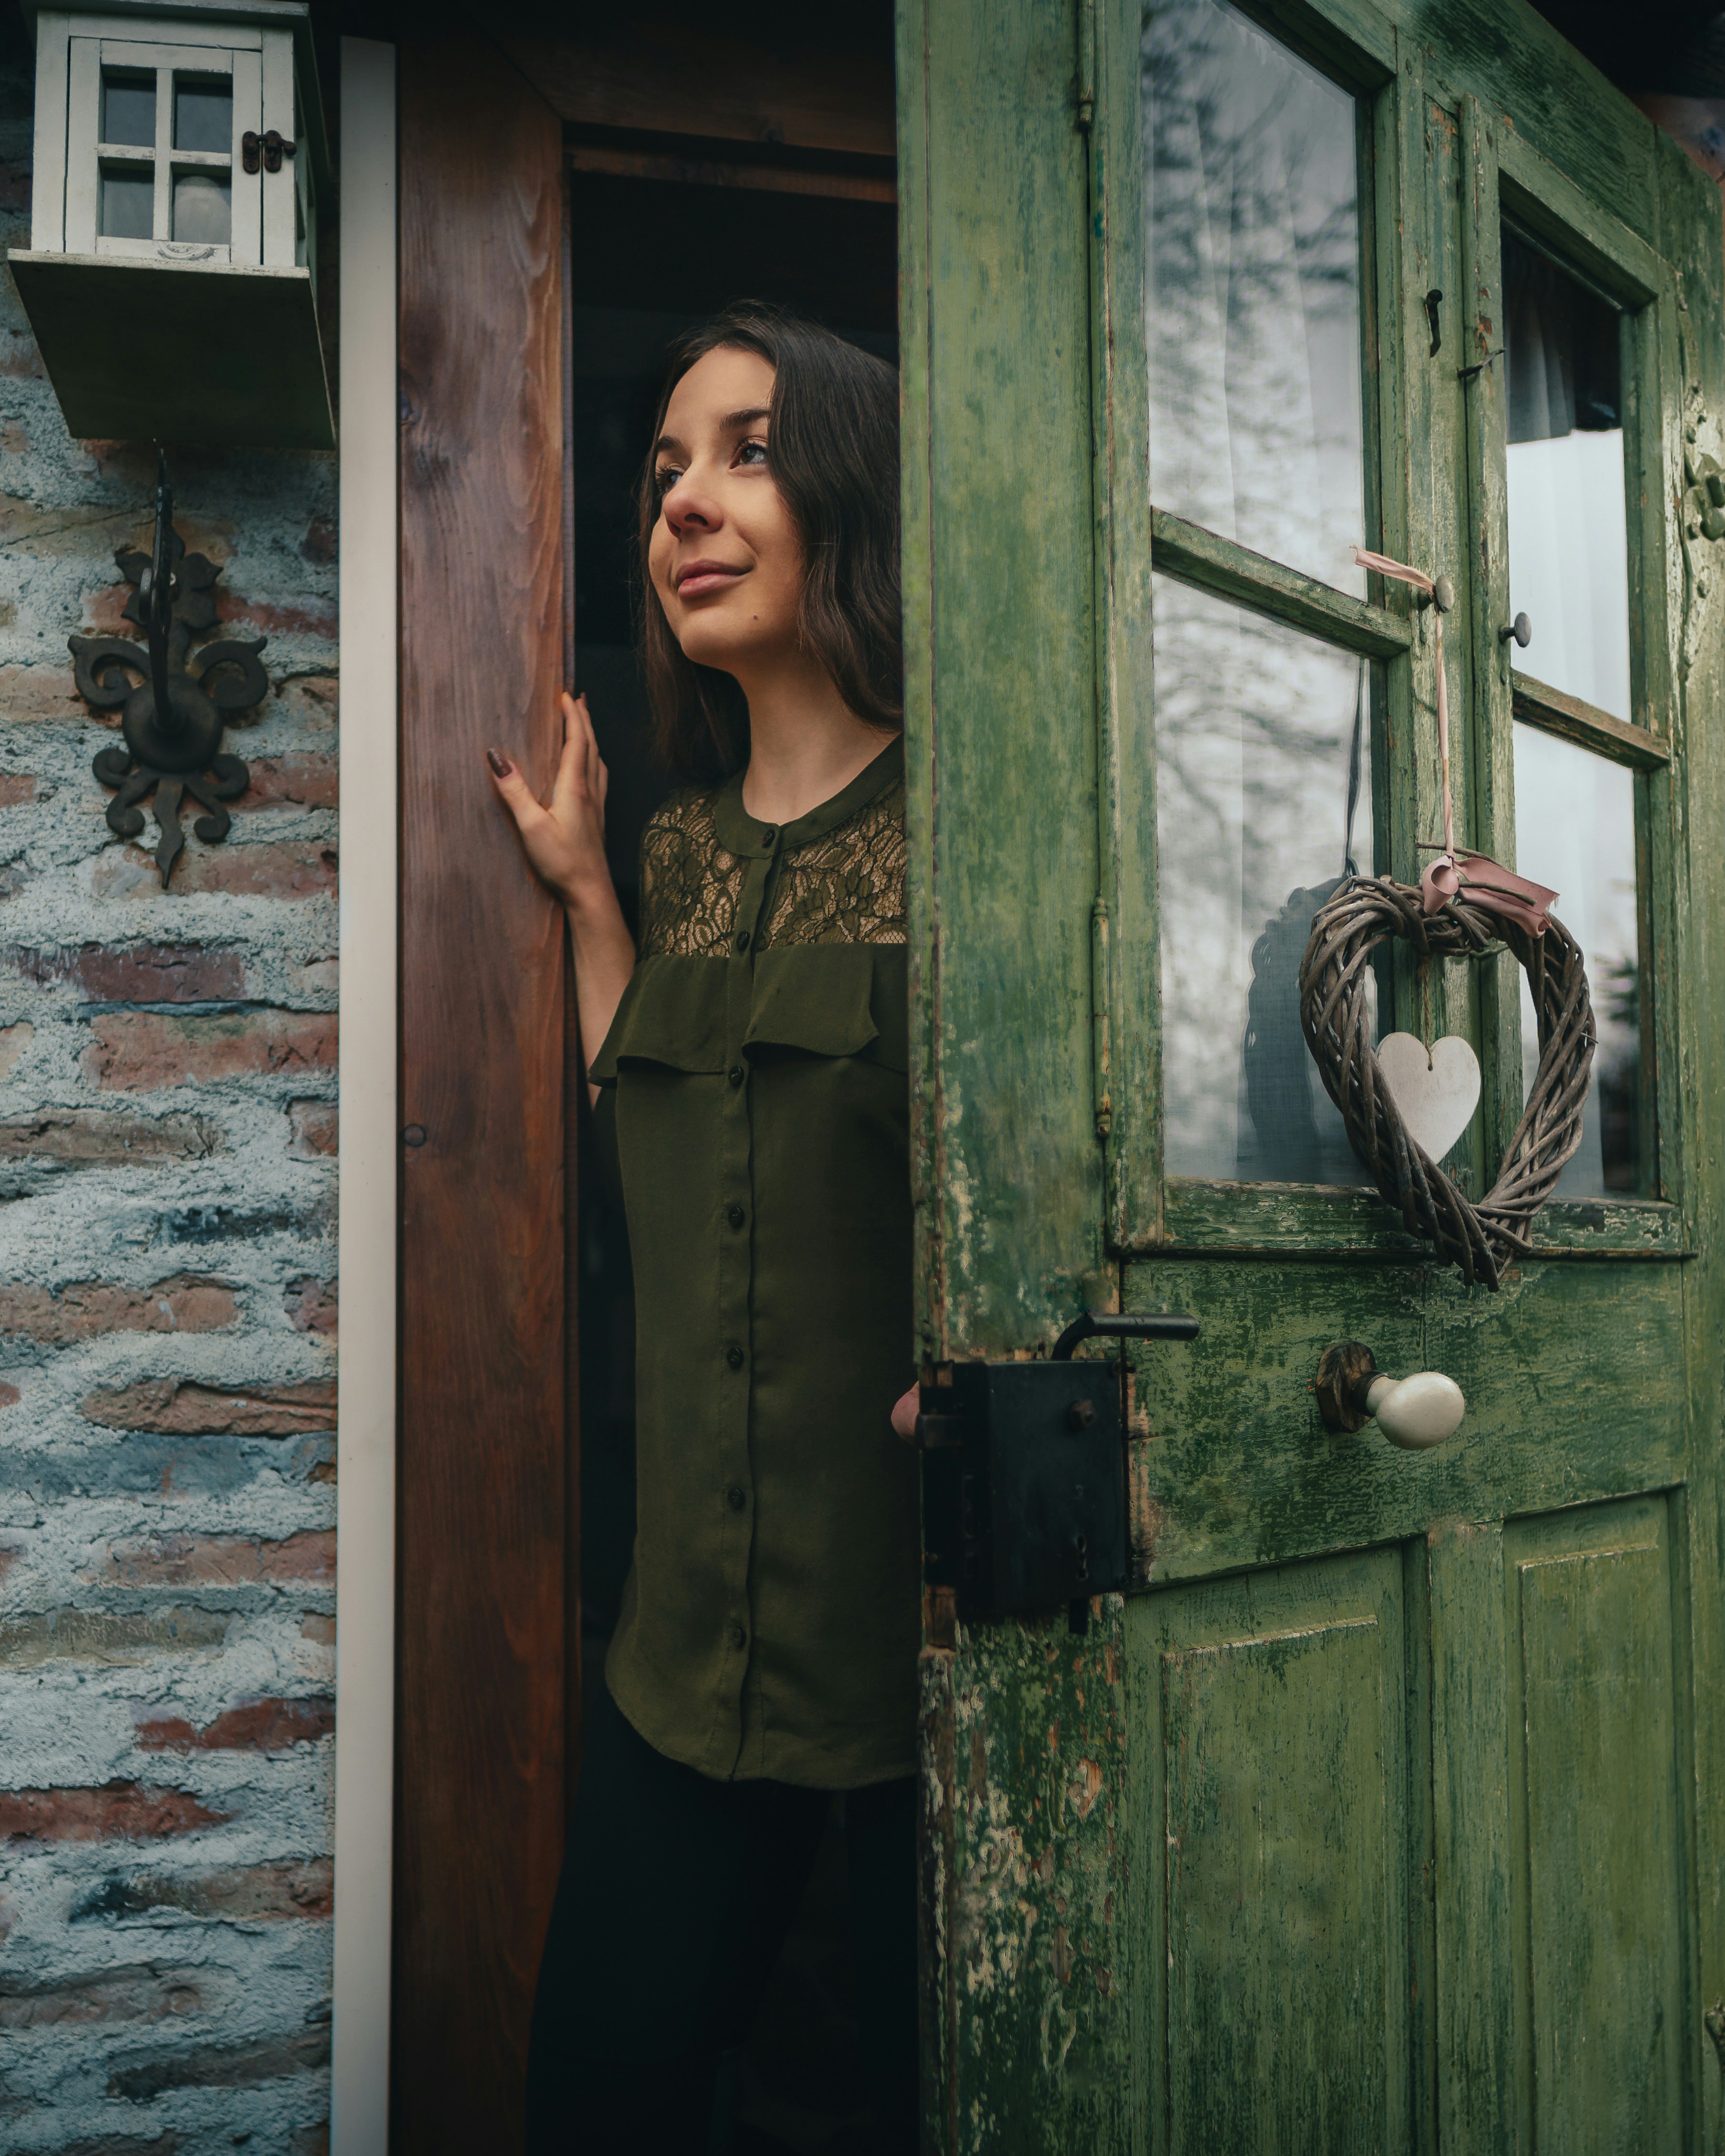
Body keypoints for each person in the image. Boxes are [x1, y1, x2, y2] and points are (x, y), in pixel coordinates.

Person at [489, 305, 921, 2154]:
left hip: (925, 1652)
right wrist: (589, 894)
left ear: (848, 490)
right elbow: (648, 1112)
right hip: (681, 1653)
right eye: (664, 469)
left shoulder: (971, 827)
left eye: (744, 450)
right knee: (596, 2092)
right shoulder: (669, 852)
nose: (685, 503)